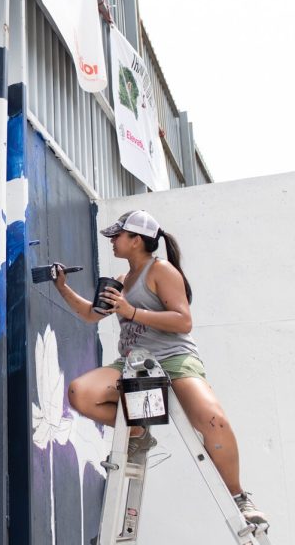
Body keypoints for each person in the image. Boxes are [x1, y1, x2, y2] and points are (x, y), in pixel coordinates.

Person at [52, 210, 268, 526]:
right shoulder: (122, 281)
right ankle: (138, 432)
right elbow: (91, 315)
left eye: (118, 236)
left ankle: (239, 497)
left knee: (214, 421)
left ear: (136, 240)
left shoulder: (162, 270)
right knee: (80, 394)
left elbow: (183, 320)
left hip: (173, 358)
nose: (112, 241)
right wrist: (62, 287)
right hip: (132, 364)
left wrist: (131, 311)